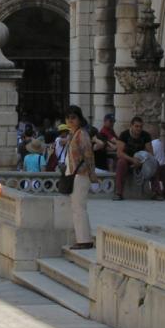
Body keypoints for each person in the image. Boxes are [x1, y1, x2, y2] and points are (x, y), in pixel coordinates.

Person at [65, 106, 96, 251]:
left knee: (79, 208)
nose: (70, 120)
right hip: (74, 175)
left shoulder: (82, 134)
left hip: (81, 175)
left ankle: (84, 240)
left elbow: (89, 155)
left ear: (79, 118)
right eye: (68, 118)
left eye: (73, 117)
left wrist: (92, 173)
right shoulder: (73, 134)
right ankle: (82, 238)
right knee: (76, 207)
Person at [114, 115, 162, 200]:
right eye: (136, 126)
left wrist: (142, 162)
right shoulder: (124, 135)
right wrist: (133, 160)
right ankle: (118, 193)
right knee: (121, 162)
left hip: (141, 160)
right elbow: (119, 153)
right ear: (131, 126)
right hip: (128, 159)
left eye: (140, 127)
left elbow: (150, 153)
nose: (138, 129)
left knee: (155, 163)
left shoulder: (146, 135)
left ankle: (156, 192)